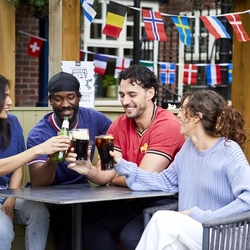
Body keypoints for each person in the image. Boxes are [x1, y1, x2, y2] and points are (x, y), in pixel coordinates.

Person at [107, 89, 250, 250]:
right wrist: (121, 164)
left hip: (224, 235)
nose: (178, 116)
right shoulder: (188, 148)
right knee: (166, 244)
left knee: (162, 219)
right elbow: (165, 181)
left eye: (182, 110)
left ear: (197, 117)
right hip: (193, 231)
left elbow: (248, 198)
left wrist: (205, 217)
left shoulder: (229, 150)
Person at [66, 64, 185, 250]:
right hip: (132, 201)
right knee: (89, 221)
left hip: (166, 202)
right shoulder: (118, 125)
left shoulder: (167, 124)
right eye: (122, 95)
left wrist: (114, 178)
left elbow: (144, 179)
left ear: (150, 93)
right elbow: (105, 173)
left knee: (130, 236)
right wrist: (89, 170)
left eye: (132, 94)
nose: (125, 101)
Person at [27, 71, 112, 249]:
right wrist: (52, 159)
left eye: (71, 97)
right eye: (58, 98)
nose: (65, 104)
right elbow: (37, 182)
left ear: (79, 97)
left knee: (101, 222)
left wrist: (100, 165)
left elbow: (115, 134)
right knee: (67, 224)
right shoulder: (39, 133)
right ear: (50, 100)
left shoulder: (93, 118)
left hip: (84, 193)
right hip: (50, 197)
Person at [0, 74, 70, 250]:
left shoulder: (12, 122)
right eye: (5, 96)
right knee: (3, 230)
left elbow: (18, 167)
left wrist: (11, 197)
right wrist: (39, 149)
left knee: (39, 212)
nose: (9, 102)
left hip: (10, 192)